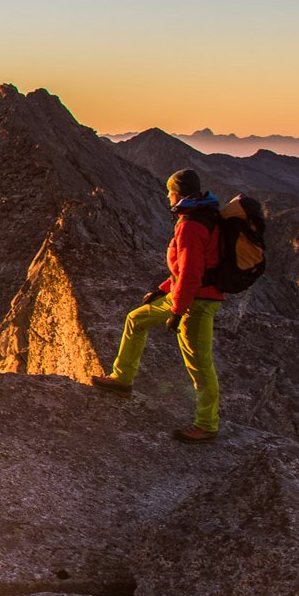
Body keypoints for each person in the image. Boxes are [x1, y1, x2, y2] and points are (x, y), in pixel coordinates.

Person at [89, 168, 222, 442]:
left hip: (197, 301)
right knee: (135, 320)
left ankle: (207, 425)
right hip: (186, 295)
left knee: (199, 364)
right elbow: (184, 269)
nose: (168, 196)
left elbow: (192, 274)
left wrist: (178, 310)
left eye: (170, 191)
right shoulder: (202, 217)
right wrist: (162, 290)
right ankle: (122, 379)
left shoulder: (191, 225)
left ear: (179, 193)